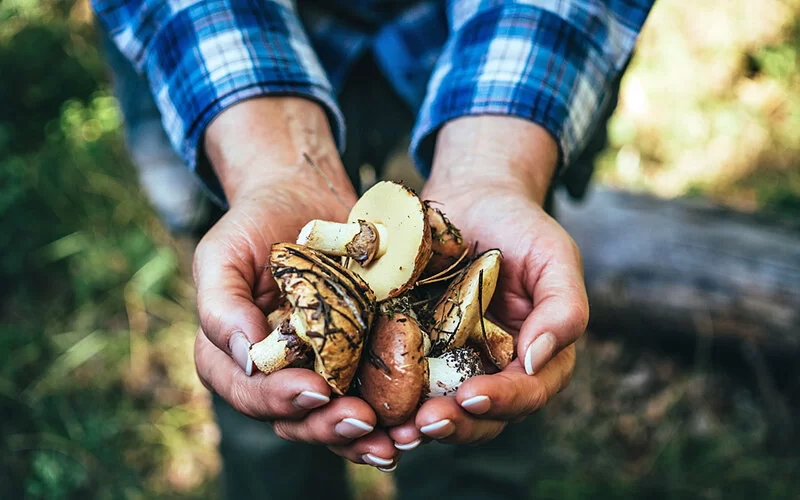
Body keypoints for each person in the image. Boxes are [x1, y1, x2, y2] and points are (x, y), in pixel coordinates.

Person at [94, 1, 653, 498]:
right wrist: (271, 161)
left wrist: (493, 164)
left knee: (480, 433)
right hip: (231, 77)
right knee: (257, 379)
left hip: (466, 61)